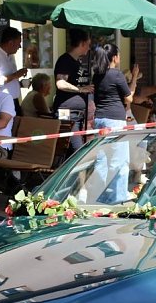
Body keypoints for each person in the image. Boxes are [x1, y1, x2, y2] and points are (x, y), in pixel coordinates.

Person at [85, 43, 136, 204]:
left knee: (102, 160)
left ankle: (100, 196)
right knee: (119, 161)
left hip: (100, 120)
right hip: (115, 121)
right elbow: (129, 98)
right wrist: (134, 77)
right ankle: (118, 197)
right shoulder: (117, 75)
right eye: (118, 55)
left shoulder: (97, 75)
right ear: (114, 57)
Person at [52, 29, 93, 151]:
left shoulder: (77, 62)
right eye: (88, 44)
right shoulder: (65, 60)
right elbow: (60, 83)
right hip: (67, 113)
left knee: (71, 152)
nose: (89, 48)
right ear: (82, 43)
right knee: (78, 150)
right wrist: (80, 89)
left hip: (78, 115)